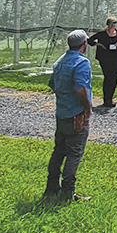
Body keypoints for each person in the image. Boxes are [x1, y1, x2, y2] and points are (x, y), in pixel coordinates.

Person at [45, 29, 93, 201]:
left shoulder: (59, 62)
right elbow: (80, 88)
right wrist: (86, 107)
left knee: (59, 151)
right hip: (76, 115)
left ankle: (51, 187)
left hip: (62, 113)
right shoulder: (81, 63)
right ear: (84, 44)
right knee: (74, 153)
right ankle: (67, 192)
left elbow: (52, 84)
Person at [86, 16, 117, 108]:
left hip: (116, 57)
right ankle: (106, 99)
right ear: (108, 24)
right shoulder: (102, 34)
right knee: (108, 76)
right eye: (111, 23)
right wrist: (99, 44)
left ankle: (110, 97)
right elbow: (89, 41)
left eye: (115, 23)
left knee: (115, 77)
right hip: (105, 57)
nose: (113, 25)